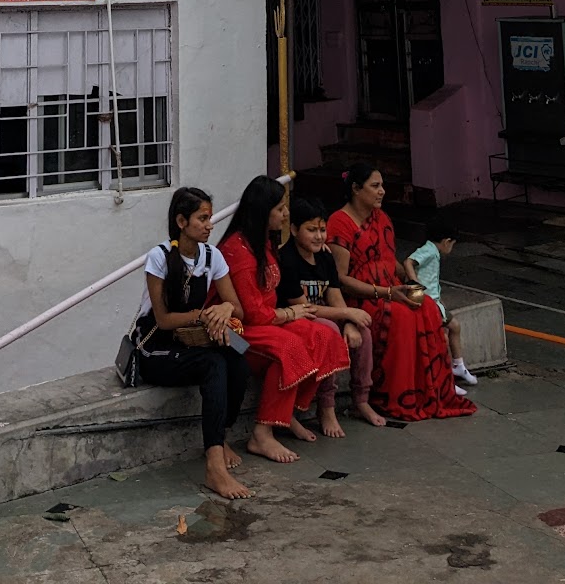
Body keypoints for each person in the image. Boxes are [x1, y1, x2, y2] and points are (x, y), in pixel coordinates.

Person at [326, 164, 476, 422]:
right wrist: (386, 292)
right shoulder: (339, 223)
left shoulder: (381, 218)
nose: (382, 191)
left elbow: (388, 260)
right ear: (355, 189)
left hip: (390, 288)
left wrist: (409, 280)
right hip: (363, 296)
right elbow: (340, 279)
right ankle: (394, 396)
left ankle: (429, 392)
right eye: (375, 186)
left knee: (427, 307)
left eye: (382, 185)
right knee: (401, 317)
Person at [220, 175, 351, 463]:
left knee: (325, 335)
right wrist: (289, 313)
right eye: (280, 208)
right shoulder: (237, 250)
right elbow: (252, 313)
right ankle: (261, 434)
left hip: (267, 324)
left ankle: (286, 413)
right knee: (288, 348)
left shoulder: (262, 243)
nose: (285, 213)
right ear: (262, 211)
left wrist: (318, 247)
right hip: (237, 334)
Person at [135, 186, 253, 500]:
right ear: (181, 221)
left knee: (240, 354)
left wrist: (226, 308)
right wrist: (202, 315)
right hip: (156, 347)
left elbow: (238, 308)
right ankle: (214, 465)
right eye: (202, 218)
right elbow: (163, 320)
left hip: (191, 342)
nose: (209, 225)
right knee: (214, 364)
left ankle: (221, 434)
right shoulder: (159, 257)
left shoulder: (212, 256)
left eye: (210, 218)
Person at [277, 194, 381, 434]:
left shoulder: (324, 256)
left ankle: (361, 400)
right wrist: (346, 313)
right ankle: (327, 406)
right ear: (293, 229)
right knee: (330, 330)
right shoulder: (287, 260)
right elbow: (306, 308)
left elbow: (334, 295)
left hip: (327, 316)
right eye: (311, 230)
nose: (319, 236)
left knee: (362, 329)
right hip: (296, 320)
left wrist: (350, 321)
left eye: (322, 229)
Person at [406, 213, 479, 389]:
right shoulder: (429, 251)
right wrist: (414, 284)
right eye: (452, 245)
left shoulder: (433, 252)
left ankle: (458, 366)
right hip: (427, 303)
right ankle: (446, 375)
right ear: (447, 241)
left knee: (454, 327)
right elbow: (409, 262)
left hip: (435, 301)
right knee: (441, 338)